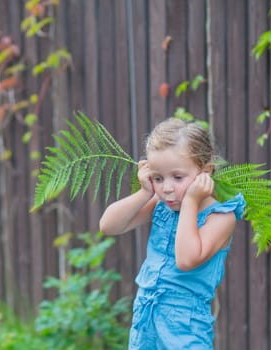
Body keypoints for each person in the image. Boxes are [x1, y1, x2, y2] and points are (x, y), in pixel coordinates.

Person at [99, 118, 246, 349]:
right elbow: (108, 225)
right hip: (146, 314)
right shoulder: (161, 202)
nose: (167, 188)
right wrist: (144, 193)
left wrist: (190, 202)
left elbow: (186, 260)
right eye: (158, 178)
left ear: (205, 172)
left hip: (185, 324)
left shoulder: (220, 217)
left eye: (177, 177)